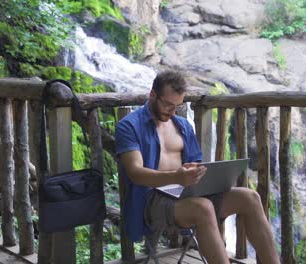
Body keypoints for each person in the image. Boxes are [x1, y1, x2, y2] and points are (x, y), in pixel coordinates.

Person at [115, 70, 280, 264]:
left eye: (177, 106)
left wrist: (204, 176)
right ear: (152, 95)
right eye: (168, 104)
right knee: (203, 208)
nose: (172, 111)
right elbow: (136, 173)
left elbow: (196, 163)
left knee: (250, 197)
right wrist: (176, 177)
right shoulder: (129, 126)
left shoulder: (183, 126)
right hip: (152, 200)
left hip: (187, 192)